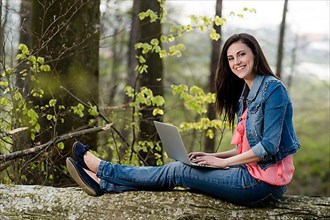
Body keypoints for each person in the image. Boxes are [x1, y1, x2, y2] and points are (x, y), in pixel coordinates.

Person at [66, 33, 300, 206]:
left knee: (177, 172)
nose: (236, 62)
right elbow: (247, 148)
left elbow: (267, 147)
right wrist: (213, 157)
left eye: (241, 54)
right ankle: (103, 182)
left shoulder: (273, 89)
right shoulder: (246, 94)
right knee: (177, 169)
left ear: (254, 55)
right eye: (230, 58)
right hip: (248, 175)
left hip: (262, 186)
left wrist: (223, 163)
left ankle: (102, 170)